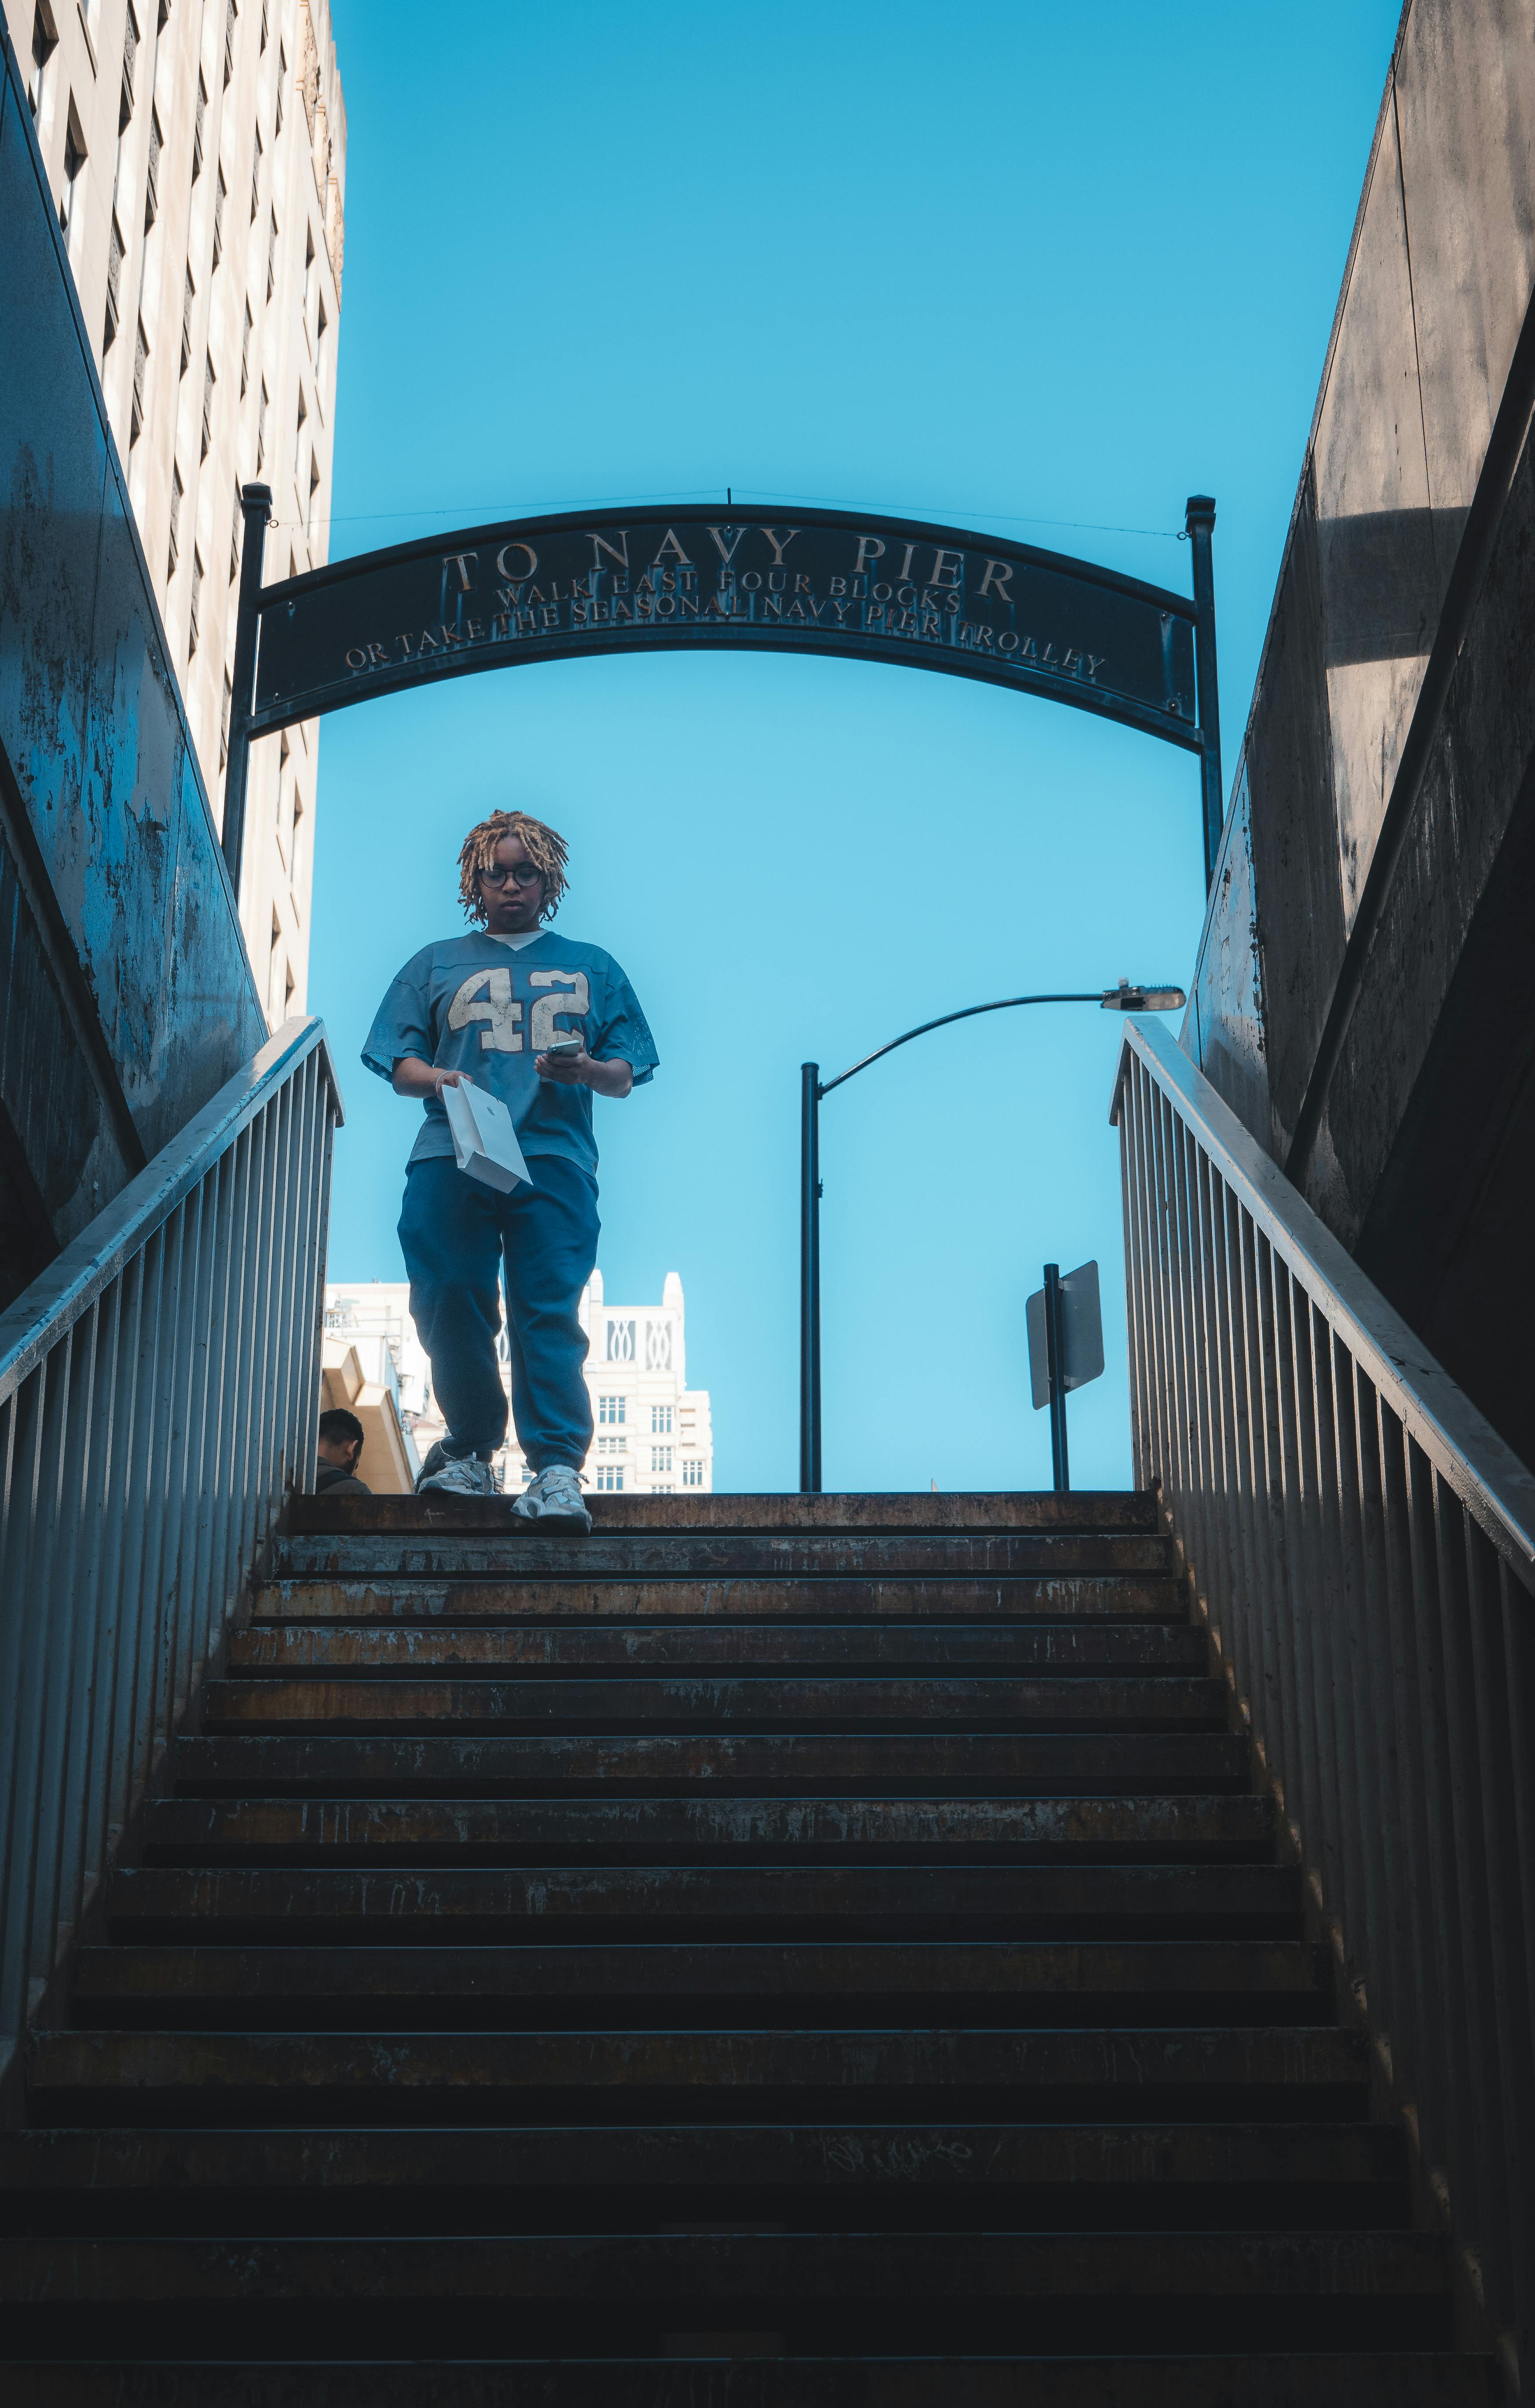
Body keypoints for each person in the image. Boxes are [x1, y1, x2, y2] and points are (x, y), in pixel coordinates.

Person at [362, 808, 658, 1531]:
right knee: (447, 1295)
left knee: (545, 1310)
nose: (511, 884)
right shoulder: (434, 961)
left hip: (552, 1160)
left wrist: (584, 1067)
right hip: (453, 1154)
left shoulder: (592, 964)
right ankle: (469, 1446)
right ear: (475, 880)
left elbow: (626, 1071)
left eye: (525, 871)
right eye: (496, 872)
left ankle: (555, 1467)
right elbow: (396, 1065)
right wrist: (439, 1079)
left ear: (547, 879)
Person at [315, 1407, 371, 1496]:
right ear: (352, 1449)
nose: (354, 1470)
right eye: (356, 1464)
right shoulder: (355, 1490)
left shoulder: (289, 1476)